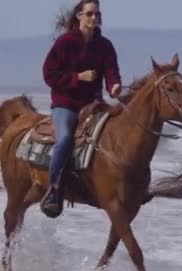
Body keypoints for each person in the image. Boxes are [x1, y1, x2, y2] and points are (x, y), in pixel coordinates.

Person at [42, 0, 122, 215]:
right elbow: (49, 75)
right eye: (89, 14)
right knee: (65, 139)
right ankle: (53, 188)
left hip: (93, 104)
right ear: (79, 16)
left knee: (115, 136)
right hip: (65, 104)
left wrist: (114, 86)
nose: (94, 18)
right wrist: (78, 77)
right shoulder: (65, 42)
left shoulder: (105, 45)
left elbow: (111, 71)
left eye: (97, 14)